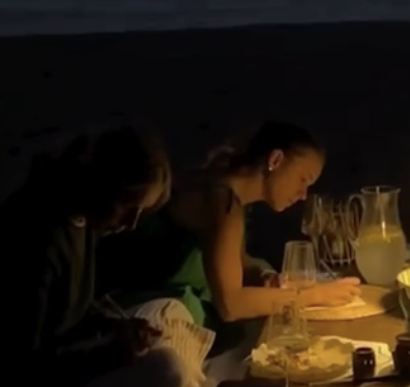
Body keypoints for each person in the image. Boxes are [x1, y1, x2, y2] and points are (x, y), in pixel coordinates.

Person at [0, 124, 199, 387]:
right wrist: (110, 354)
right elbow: (24, 376)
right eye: (128, 207)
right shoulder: (38, 236)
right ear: (106, 183)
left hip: (71, 365)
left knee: (171, 310)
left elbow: (74, 306)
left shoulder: (82, 220)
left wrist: (116, 327)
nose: (131, 223)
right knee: (168, 372)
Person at [102, 121, 360, 350]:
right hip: (143, 317)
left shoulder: (227, 196)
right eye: (303, 179)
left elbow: (235, 258)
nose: (303, 194)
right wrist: (315, 297)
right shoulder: (222, 203)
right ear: (276, 161)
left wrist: (264, 275)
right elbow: (231, 304)